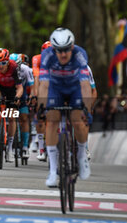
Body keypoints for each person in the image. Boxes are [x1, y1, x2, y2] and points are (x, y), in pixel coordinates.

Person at [38, 28, 92, 187]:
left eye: (67, 50)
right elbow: (44, 85)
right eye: (59, 51)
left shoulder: (80, 55)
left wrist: (87, 108)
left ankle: (82, 156)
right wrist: (41, 107)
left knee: (77, 120)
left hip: (75, 88)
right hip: (56, 89)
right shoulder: (47, 56)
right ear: (53, 49)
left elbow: (85, 84)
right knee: (52, 120)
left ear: (72, 46)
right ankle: (53, 171)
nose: (63, 54)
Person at [9, 53, 34, 158]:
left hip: (22, 92)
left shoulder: (26, 69)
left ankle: (25, 147)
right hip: (10, 92)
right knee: (12, 117)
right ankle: (12, 145)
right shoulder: (6, 69)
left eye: (17, 66)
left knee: (24, 118)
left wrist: (31, 96)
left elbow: (32, 85)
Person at [31, 41, 52, 161]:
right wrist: (36, 96)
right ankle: (41, 149)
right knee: (40, 115)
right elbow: (36, 78)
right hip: (42, 86)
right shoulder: (37, 60)